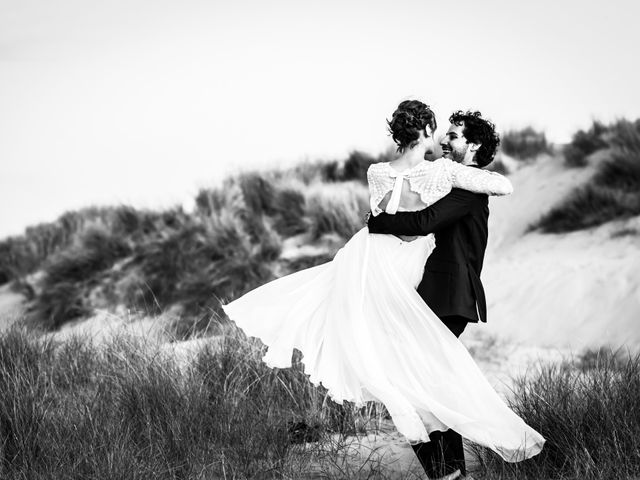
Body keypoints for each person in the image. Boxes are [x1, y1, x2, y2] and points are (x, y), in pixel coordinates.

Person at [223, 100, 544, 480]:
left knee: (422, 382)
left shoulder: (442, 179)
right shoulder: (441, 174)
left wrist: (377, 222)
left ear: (472, 147)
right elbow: (426, 215)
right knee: (421, 380)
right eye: (442, 132)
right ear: (424, 131)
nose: (444, 140)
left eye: (453, 136)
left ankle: (449, 471)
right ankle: (450, 473)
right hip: (410, 285)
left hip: (434, 289)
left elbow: (426, 220)